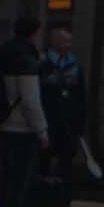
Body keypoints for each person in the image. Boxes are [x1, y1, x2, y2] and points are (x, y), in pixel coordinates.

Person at [0, 16, 49, 207]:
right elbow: (30, 101)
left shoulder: (4, 53)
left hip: (4, 127)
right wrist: (42, 131)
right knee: (20, 186)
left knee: (7, 184)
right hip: (22, 130)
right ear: (35, 32)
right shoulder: (26, 59)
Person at [39, 25, 87, 184]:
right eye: (64, 41)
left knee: (66, 167)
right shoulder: (42, 64)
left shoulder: (75, 66)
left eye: (69, 41)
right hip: (47, 123)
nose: (68, 45)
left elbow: (81, 96)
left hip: (69, 125)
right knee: (42, 164)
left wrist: (80, 124)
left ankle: (63, 202)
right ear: (54, 42)